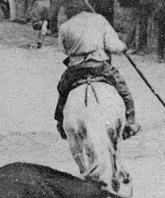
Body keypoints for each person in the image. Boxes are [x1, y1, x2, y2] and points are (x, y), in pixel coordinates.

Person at [53, 11, 139, 140]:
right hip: (99, 66)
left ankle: (61, 123)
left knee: (63, 91)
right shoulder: (99, 19)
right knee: (123, 89)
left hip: (76, 68)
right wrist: (122, 47)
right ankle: (130, 123)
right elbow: (113, 45)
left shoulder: (65, 26)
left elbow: (63, 49)